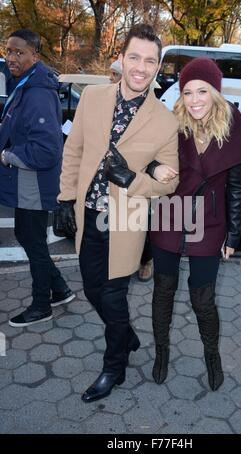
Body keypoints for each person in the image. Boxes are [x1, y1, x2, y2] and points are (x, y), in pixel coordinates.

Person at [56, 24, 179, 402]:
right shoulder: (92, 97)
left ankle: (115, 367)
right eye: (135, 57)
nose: (141, 67)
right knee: (92, 289)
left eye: (151, 61)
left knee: (112, 296)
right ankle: (124, 333)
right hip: (88, 213)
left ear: (158, 67)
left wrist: (134, 179)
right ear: (121, 58)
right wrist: (64, 199)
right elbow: (74, 149)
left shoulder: (164, 119)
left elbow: (169, 182)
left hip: (125, 221)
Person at [150, 57, 241, 392]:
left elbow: (236, 188)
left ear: (215, 92)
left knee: (203, 299)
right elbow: (146, 158)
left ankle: (212, 356)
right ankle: (162, 354)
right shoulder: (171, 124)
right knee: (163, 291)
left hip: (209, 223)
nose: (194, 99)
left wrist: (233, 235)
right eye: (187, 92)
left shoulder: (234, 127)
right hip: (169, 215)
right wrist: (155, 168)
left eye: (202, 91)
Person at [0, 29, 75, 328]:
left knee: (32, 240)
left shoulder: (38, 92)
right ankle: (60, 290)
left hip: (31, 182)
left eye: (20, 52)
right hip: (26, 182)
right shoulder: (25, 83)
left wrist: (6, 156)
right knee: (31, 238)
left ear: (35, 56)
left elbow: (46, 149)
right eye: (8, 50)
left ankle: (41, 305)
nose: (12, 57)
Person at [109, 58, 154, 282]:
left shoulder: (147, 108)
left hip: (135, 177)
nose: (110, 79)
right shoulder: (106, 102)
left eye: (114, 74)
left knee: (138, 224)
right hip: (108, 177)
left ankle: (146, 259)